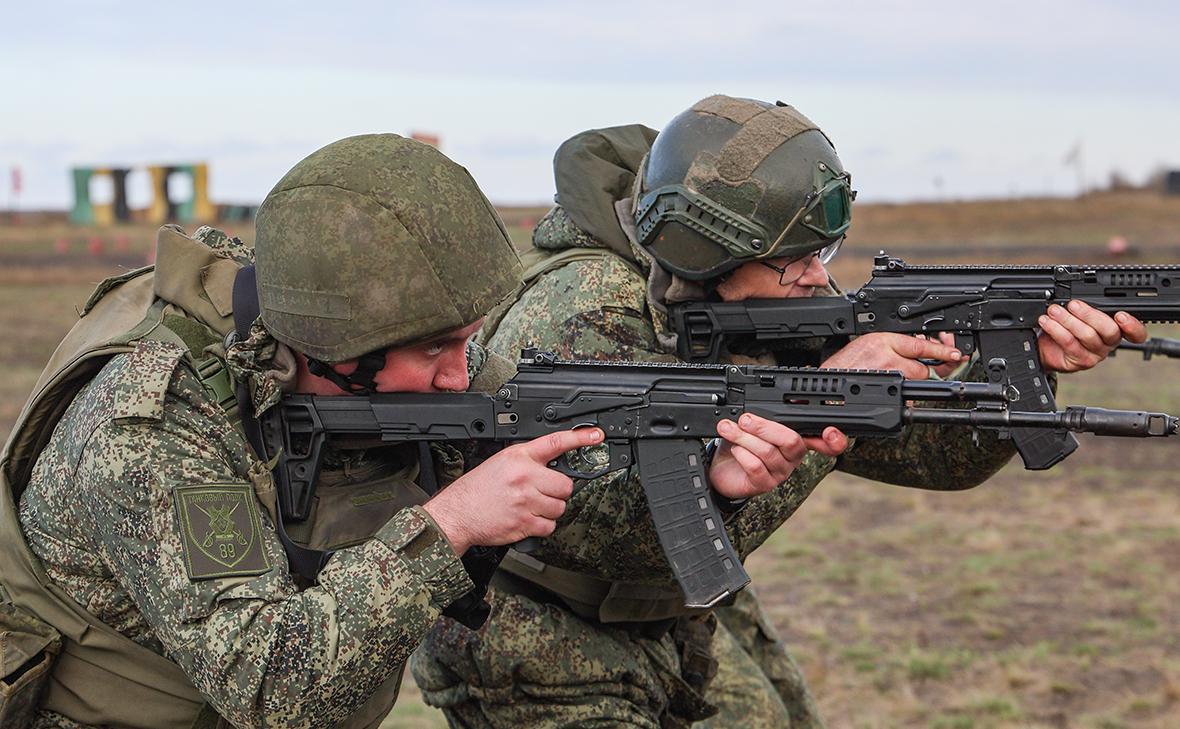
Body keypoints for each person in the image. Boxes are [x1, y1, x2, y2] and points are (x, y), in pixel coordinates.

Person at [410, 96, 1147, 728]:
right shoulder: (582, 311)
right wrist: (828, 394)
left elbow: (935, 459)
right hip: (535, 634)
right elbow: (618, 535)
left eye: (824, 251)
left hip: (670, 611)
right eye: (795, 261)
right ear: (710, 251)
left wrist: (1020, 364)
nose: (819, 277)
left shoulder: (758, 296)